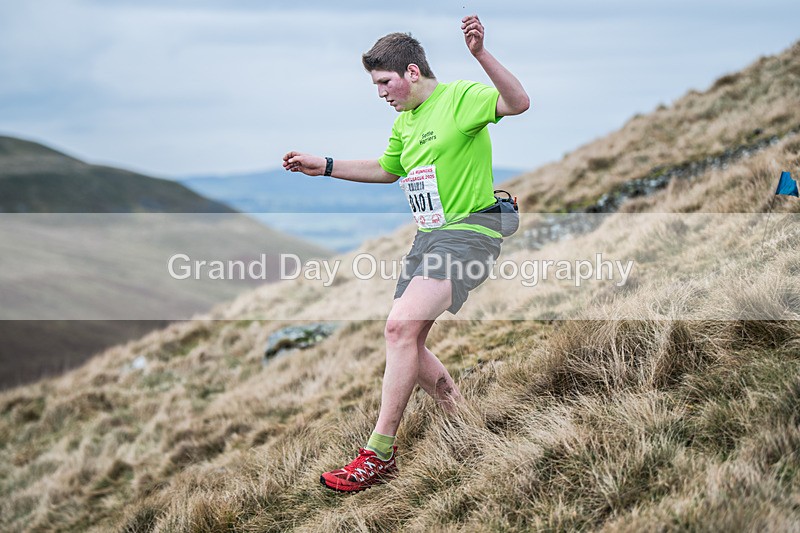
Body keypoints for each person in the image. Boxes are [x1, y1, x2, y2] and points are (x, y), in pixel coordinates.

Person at [283, 14, 529, 492]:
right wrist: (326, 166)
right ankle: (464, 425)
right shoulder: (406, 121)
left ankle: (378, 454)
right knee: (408, 339)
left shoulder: (460, 98)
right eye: (375, 84)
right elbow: (387, 169)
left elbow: (518, 102)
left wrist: (480, 55)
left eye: (384, 82)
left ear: (412, 72)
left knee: (398, 328)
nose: (380, 93)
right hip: (429, 239)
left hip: (470, 233)